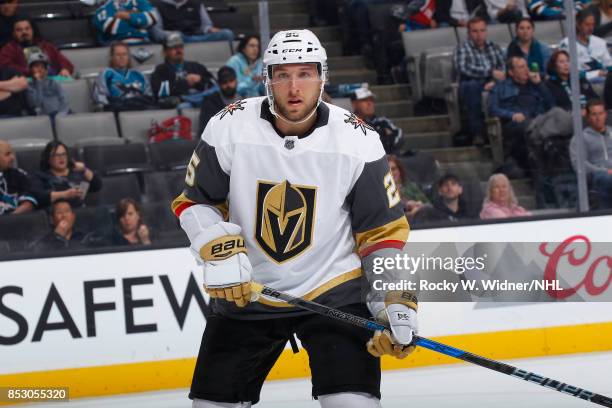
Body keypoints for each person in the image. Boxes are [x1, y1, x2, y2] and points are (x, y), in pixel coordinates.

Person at [172, 29, 416, 408]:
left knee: (353, 405)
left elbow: (380, 233)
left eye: (305, 73)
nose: (293, 86)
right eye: (282, 74)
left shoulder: (359, 138)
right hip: (249, 293)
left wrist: (391, 298)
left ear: (323, 77)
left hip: (333, 292)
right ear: (267, 79)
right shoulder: (228, 125)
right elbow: (195, 202)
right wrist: (213, 245)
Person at [488, 55, 553, 174]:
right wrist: (511, 114)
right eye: (521, 67)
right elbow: (493, 109)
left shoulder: (536, 85)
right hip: (515, 125)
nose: (526, 69)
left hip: (538, 121)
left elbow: (551, 105)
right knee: (529, 127)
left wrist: (539, 84)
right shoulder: (500, 87)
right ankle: (538, 168)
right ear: (511, 72)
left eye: (526, 66)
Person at [454, 16, 506, 144]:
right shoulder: (462, 48)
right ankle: (478, 133)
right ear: (468, 33)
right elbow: (463, 68)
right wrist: (489, 72)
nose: (479, 34)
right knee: (471, 86)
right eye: (475, 31)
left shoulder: (494, 47)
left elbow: (504, 67)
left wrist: (494, 81)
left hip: (493, 81)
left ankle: (504, 131)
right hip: (471, 82)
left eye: (482, 30)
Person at [31, 141, 102, 210]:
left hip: (80, 212)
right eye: (56, 155)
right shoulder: (40, 176)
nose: (61, 158)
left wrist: (85, 169)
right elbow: (39, 196)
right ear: (48, 158)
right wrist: (64, 194)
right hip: (55, 214)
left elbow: (97, 185)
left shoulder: (76, 172)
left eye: (64, 154)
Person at [151, 32, 214, 107]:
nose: (178, 50)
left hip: (201, 99)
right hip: (180, 103)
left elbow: (213, 83)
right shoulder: (160, 70)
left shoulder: (196, 66)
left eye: (180, 47)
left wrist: (200, 79)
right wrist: (185, 83)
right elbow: (161, 92)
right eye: (173, 47)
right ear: (165, 52)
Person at [570, 99, 612, 208]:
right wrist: (606, 171)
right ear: (588, 117)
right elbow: (579, 164)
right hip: (596, 176)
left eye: (601, 113)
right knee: (606, 179)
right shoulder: (580, 138)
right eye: (594, 114)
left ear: (605, 114)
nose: (598, 118)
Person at [0, 17, 74, 77]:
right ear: (13, 33)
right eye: (19, 30)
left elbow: (65, 63)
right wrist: (30, 71)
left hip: (52, 80)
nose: (24, 32)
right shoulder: (8, 49)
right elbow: (5, 68)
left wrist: (65, 69)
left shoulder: (46, 45)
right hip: (25, 82)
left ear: (32, 30)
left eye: (27, 28)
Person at [93, 42, 155, 111]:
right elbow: (100, 98)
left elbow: (149, 96)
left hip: (140, 110)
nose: (121, 57)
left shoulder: (139, 74)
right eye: (118, 55)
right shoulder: (106, 73)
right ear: (112, 57)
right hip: (118, 111)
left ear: (128, 57)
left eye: (124, 54)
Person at [559, 9, 612, 84]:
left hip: (605, 83)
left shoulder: (600, 42)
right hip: (580, 84)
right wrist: (595, 74)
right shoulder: (567, 44)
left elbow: (609, 64)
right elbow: (568, 72)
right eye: (587, 24)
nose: (591, 28)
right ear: (578, 24)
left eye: (592, 24)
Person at [30, 199, 100, 251]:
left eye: (67, 211)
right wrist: (57, 237)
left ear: (73, 217)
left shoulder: (85, 237)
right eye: (59, 212)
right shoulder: (45, 241)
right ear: (52, 219)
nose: (64, 216)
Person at [151, 0, 234, 43]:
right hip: (177, 39)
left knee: (227, 33)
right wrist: (172, 35)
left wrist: (209, 29)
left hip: (199, 36)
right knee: (178, 37)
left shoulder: (196, 3)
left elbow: (206, 25)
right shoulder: (158, 5)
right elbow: (157, 33)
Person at [351, 87, 404, 154]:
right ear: (354, 104)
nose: (370, 103)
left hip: (386, 159)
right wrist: (385, 138)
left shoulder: (383, 122)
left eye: (371, 100)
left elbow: (399, 136)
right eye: (364, 100)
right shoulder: (348, 123)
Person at [25, 49, 70, 117]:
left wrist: (62, 113)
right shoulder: (29, 86)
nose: (40, 69)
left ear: (46, 70)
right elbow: (36, 103)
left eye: (43, 67)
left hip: (60, 112)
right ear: (30, 69)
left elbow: (63, 98)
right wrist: (38, 82)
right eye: (36, 66)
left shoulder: (52, 82)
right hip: (44, 116)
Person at [198, 65, 239, 134]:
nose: (228, 85)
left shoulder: (245, 100)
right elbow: (206, 130)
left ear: (236, 81)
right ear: (219, 84)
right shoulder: (209, 103)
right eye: (224, 82)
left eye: (231, 81)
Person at [0, 139, 36, 215]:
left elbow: (28, 203)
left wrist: (11, 219)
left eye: (12, 153)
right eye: (7, 154)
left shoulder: (19, 175)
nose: (12, 157)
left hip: (17, 221)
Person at [388, 154, 429, 219]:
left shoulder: (410, 187)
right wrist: (406, 207)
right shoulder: (380, 191)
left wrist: (418, 205)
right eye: (388, 170)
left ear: (400, 170)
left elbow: (429, 206)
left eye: (393, 169)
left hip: (419, 225)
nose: (391, 173)